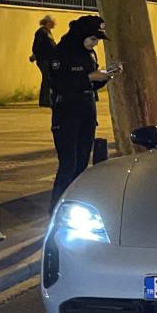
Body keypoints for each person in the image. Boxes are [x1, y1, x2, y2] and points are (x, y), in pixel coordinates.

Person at [48, 15, 113, 211]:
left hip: (87, 111)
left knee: (82, 163)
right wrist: (89, 77)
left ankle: (75, 207)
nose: (95, 43)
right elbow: (59, 83)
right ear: (81, 35)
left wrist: (104, 76)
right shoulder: (61, 52)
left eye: (97, 40)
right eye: (93, 39)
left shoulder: (90, 54)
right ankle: (57, 208)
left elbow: (91, 83)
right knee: (68, 164)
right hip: (67, 113)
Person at [30, 14, 57, 107]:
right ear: (48, 23)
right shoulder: (42, 32)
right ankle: (46, 100)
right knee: (47, 78)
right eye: (53, 22)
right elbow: (37, 45)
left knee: (47, 78)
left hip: (47, 59)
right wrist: (35, 54)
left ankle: (45, 100)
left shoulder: (47, 32)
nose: (55, 24)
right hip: (43, 59)